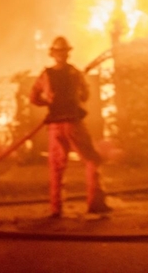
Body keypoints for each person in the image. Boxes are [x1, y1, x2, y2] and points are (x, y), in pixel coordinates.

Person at [29, 36, 111, 218]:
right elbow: (85, 95)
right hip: (74, 124)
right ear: (66, 54)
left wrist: (48, 101)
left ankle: (56, 208)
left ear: (53, 54)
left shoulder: (46, 75)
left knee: (56, 167)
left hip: (55, 127)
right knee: (92, 160)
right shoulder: (75, 73)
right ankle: (95, 203)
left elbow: (33, 97)